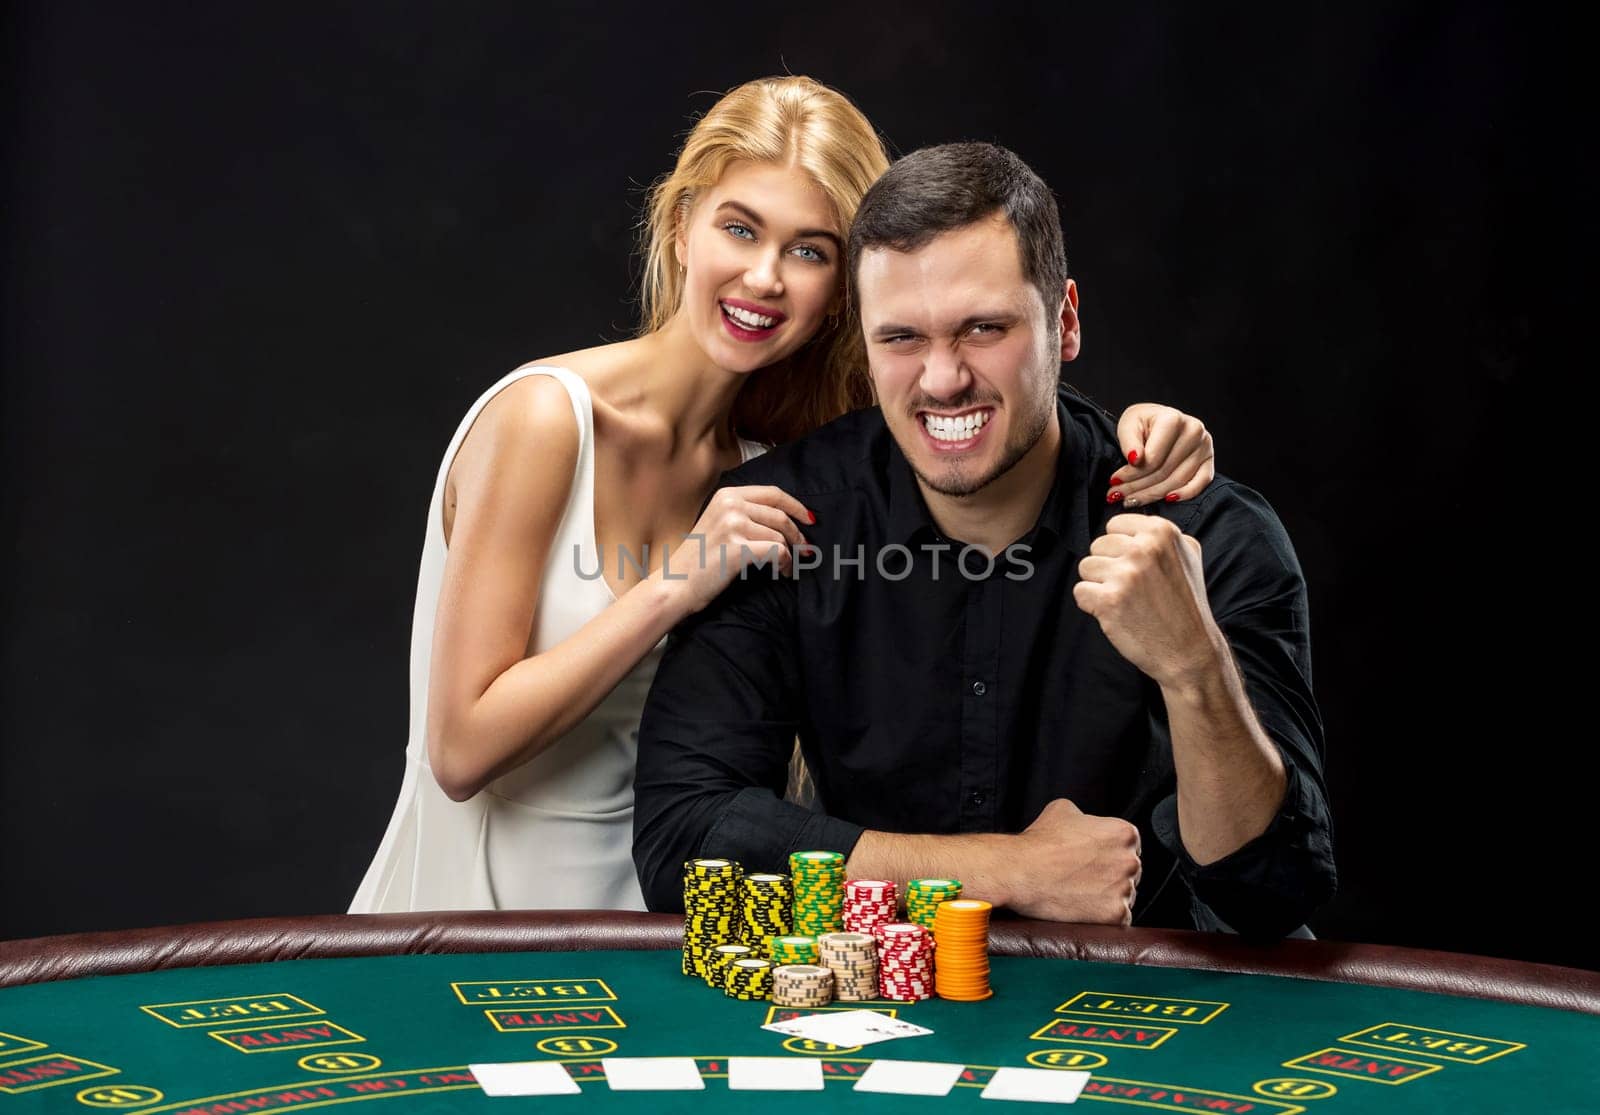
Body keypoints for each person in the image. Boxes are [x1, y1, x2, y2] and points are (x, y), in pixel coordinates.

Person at [350, 79, 1220, 915]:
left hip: (667, 916)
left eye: (809, 251)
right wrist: (674, 587)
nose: (765, 277)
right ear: (683, 224)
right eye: (740, 228)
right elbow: (459, 750)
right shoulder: (548, 419)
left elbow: (982, 397)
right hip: (476, 904)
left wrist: (1143, 431)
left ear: (845, 292)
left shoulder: (779, 465)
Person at [632, 142, 1336, 937]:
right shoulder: (785, 519)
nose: (942, 379)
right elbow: (683, 844)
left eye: (982, 328)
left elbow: (1273, 893)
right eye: (901, 338)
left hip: (1153, 1019)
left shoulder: (1208, 531)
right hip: (889, 1019)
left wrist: (1196, 669)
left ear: (1064, 321)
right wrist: (1006, 871)